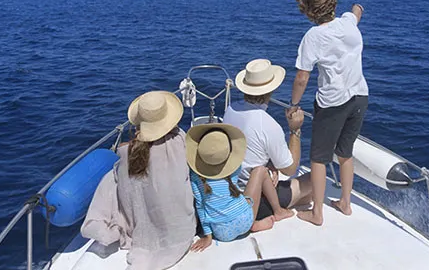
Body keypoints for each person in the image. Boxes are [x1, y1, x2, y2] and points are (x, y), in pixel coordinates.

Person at [82, 90, 196, 270]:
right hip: (180, 233)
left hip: (142, 235)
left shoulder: (126, 153)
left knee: (111, 178)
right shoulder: (180, 140)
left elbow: (133, 152)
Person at [290, 0, 369, 226]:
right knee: (345, 152)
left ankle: (317, 214)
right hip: (360, 96)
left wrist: (294, 105)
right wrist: (357, 8)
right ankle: (345, 203)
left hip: (332, 102)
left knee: (318, 158)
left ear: (310, 11)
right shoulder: (347, 23)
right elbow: (356, 13)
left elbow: (302, 77)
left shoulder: (313, 36)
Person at [223, 58, 312, 221]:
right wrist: (295, 130)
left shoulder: (231, 109)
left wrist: (271, 164)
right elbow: (290, 169)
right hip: (254, 199)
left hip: (230, 190)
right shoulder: (268, 124)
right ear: (271, 90)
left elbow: (250, 148)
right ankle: (284, 206)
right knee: (313, 181)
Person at [186, 124, 285, 252]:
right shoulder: (234, 168)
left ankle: (253, 224)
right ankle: (277, 212)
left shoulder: (195, 175)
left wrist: (208, 236)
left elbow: (200, 206)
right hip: (245, 221)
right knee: (260, 171)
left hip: (222, 234)